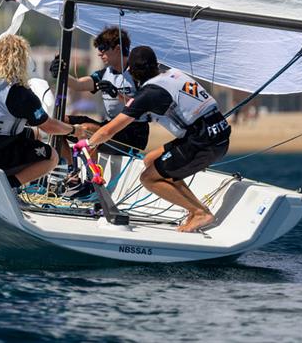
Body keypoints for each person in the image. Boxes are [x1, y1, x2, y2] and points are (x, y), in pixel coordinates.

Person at [74, 46, 231, 233]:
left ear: (130, 71)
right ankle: (197, 209)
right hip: (217, 135)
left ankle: (199, 213)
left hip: (203, 143)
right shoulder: (174, 74)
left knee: (148, 178)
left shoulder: (149, 93)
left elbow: (109, 130)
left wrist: (88, 143)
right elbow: (147, 102)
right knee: (150, 160)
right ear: (156, 65)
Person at [0, 34, 88, 189]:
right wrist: (74, 130)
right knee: (51, 156)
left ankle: (19, 179)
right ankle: (10, 185)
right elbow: (49, 126)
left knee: (35, 134)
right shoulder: (19, 93)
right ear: (20, 60)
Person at [49, 27, 149, 159]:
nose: (99, 53)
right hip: (109, 127)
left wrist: (117, 95)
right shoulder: (104, 74)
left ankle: (93, 178)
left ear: (118, 49)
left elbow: (143, 107)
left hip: (133, 134)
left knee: (85, 129)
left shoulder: (138, 74)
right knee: (58, 122)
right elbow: (78, 85)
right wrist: (61, 73)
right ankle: (71, 173)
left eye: (103, 48)